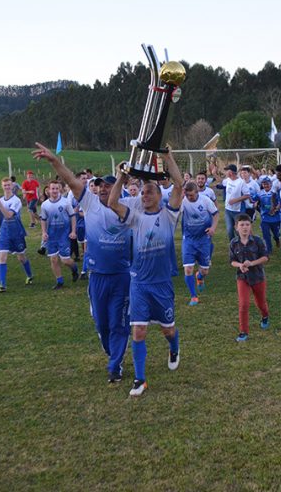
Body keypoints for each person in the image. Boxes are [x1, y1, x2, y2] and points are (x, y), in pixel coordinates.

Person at [33, 142, 133, 384]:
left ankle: (115, 365)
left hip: (121, 276)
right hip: (97, 276)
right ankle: (113, 354)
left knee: (119, 322)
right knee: (102, 322)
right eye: (99, 185)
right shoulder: (88, 203)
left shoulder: (127, 207)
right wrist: (54, 161)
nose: (101, 189)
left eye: (108, 185)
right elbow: (70, 180)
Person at [107, 149, 183, 397]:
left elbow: (180, 185)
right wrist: (120, 177)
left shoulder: (169, 215)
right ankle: (140, 379)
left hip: (162, 284)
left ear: (161, 196)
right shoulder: (135, 217)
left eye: (150, 191)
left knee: (167, 329)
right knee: (138, 331)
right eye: (143, 191)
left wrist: (168, 156)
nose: (145, 194)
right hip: (139, 282)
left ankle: (174, 347)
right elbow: (112, 203)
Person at [0, 178, 34, 293]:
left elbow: (8, 215)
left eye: (9, 185)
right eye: (5, 185)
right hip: (4, 233)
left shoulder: (16, 200)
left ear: (12, 186)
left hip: (16, 232)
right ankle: (2, 285)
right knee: (2, 257)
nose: (7, 187)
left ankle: (29, 275)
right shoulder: (1, 200)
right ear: (2, 186)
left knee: (21, 257)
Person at [229, 213, 270, 342]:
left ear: (251, 226)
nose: (245, 227)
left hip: (258, 276)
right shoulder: (234, 243)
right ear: (236, 227)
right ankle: (243, 332)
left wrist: (251, 263)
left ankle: (265, 316)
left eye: (247, 224)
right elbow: (232, 261)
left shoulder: (257, 241)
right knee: (243, 304)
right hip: (242, 277)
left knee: (261, 302)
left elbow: (265, 257)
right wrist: (240, 265)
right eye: (242, 225)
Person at [180, 182, 218, 306]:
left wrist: (213, 227)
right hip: (189, 239)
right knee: (188, 268)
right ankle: (193, 296)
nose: (189, 197)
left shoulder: (205, 200)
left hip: (203, 239)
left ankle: (200, 277)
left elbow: (216, 214)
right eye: (187, 195)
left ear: (197, 192)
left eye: (191, 195)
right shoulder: (183, 201)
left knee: (205, 270)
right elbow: (174, 210)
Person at [40, 180, 79, 289]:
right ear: (48, 190)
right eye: (53, 188)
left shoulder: (66, 202)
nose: (55, 191)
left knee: (65, 260)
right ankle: (59, 281)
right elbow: (43, 219)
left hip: (64, 235)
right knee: (53, 259)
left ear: (60, 189)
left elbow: (73, 216)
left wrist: (73, 231)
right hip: (52, 236)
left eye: (57, 188)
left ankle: (74, 269)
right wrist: (43, 232)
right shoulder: (45, 205)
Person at [222, 164, 252, 243]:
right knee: (229, 230)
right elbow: (221, 182)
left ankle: (245, 243)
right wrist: (214, 173)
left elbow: (247, 195)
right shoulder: (228, 180)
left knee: (239, 230)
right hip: (228, 210)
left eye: (227, 170)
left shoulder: (241, 182)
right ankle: (234, 245)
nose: (226, 172)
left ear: (231, 172)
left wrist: (235, 200)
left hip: (237, 210)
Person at [254, 177, 281, 254]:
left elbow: (280, 202)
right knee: (266, 234)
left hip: (275, 217)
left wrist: (276, 209)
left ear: (271, 184)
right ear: (262, 185)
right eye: (264, 184)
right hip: (265, 217)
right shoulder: (260, 193)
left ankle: (277, 239)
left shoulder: (275, 193)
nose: (266, 185)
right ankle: (268, 250)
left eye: (267, 183)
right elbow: (253, 199)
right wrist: (254, 202)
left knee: (276, 234)